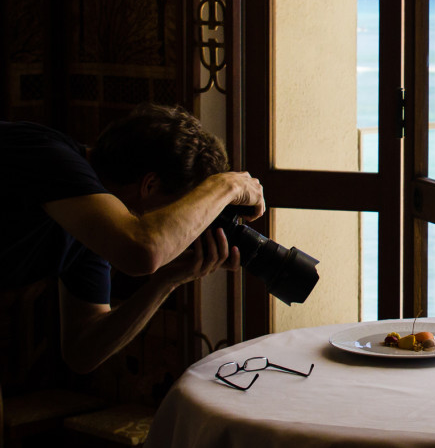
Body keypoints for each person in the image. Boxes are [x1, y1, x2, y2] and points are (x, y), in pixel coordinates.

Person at [1, 103, 265, 374]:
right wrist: (226, 185)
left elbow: (82, 351)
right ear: (149, 186)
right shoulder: (48, 156)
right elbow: (144, 251)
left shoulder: (94, 230)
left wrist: (167, 281)